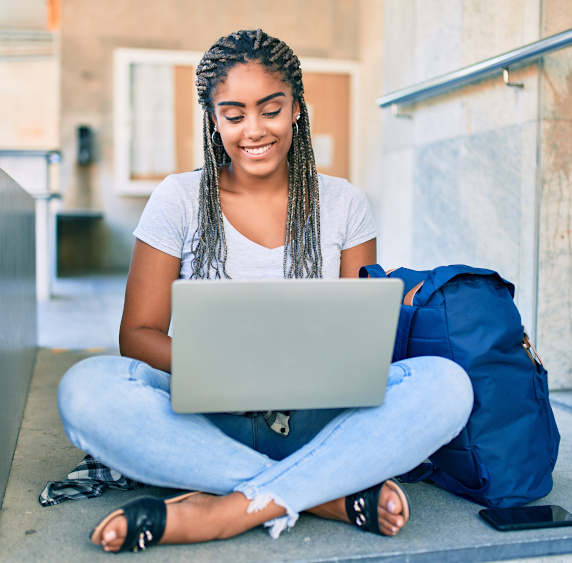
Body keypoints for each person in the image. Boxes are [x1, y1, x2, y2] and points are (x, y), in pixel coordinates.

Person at [58, 29, 474, 553]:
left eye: (270, 110)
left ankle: (224, 510)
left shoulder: (345, 203)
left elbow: (364, 341)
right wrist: (224, 373)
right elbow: (138, 335)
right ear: (214, 119)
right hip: (206, 416)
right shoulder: (179, 199)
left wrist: (308, 377)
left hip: (319, 417)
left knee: (447, 385)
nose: (253, 130)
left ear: (296, 108)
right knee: (86, 389)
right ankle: (322, 494)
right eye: (233, 115)